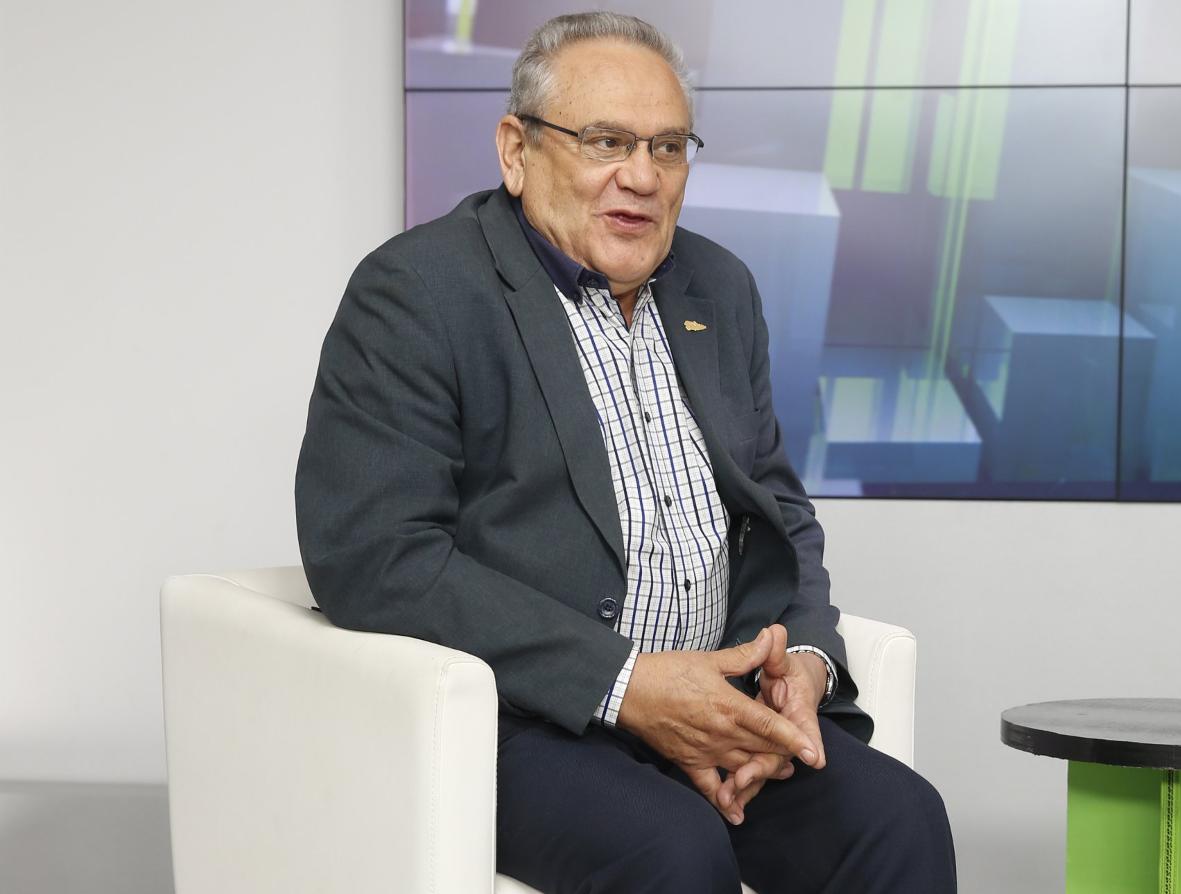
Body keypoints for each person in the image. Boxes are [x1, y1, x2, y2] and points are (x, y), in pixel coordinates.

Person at [295, 11, 955, 893]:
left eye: (668, 148)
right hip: (534, 719)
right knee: (672, 847)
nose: (641, 177)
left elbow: (777, 510)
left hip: (720, 709)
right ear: (517, 150)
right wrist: (627, 684)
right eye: (606, 141)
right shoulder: (417, 292)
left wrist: (803, 657)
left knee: (901, 818)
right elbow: (374, 555)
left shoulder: (720, 287)